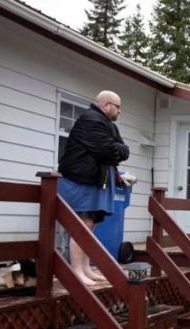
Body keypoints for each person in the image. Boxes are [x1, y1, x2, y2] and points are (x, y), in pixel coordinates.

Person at [58, 90, 129, 286]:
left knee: (92, 224)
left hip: (98, 179)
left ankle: (86, 268)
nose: (119, 111)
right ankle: (76, 271)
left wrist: (118, 150)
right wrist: (117, 150)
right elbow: (108, 151)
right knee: (83, 225)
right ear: (106, 105)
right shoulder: (92, 120)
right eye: (117, 106)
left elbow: (123, 150)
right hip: (81, 180)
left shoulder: (107, 124)